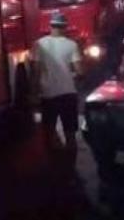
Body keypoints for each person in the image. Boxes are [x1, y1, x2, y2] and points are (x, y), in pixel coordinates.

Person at [31, 13, 83, 166]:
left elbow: (36, 71)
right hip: (68, 94)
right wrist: (73, 76)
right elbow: (80, 72)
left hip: (48, 95)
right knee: (70, 135)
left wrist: (34, 92)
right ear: (65, 27)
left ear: (50, 26)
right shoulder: (72, 45)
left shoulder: (39, 44)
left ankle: (53, 167)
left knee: (49, 133)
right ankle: (71, 168)